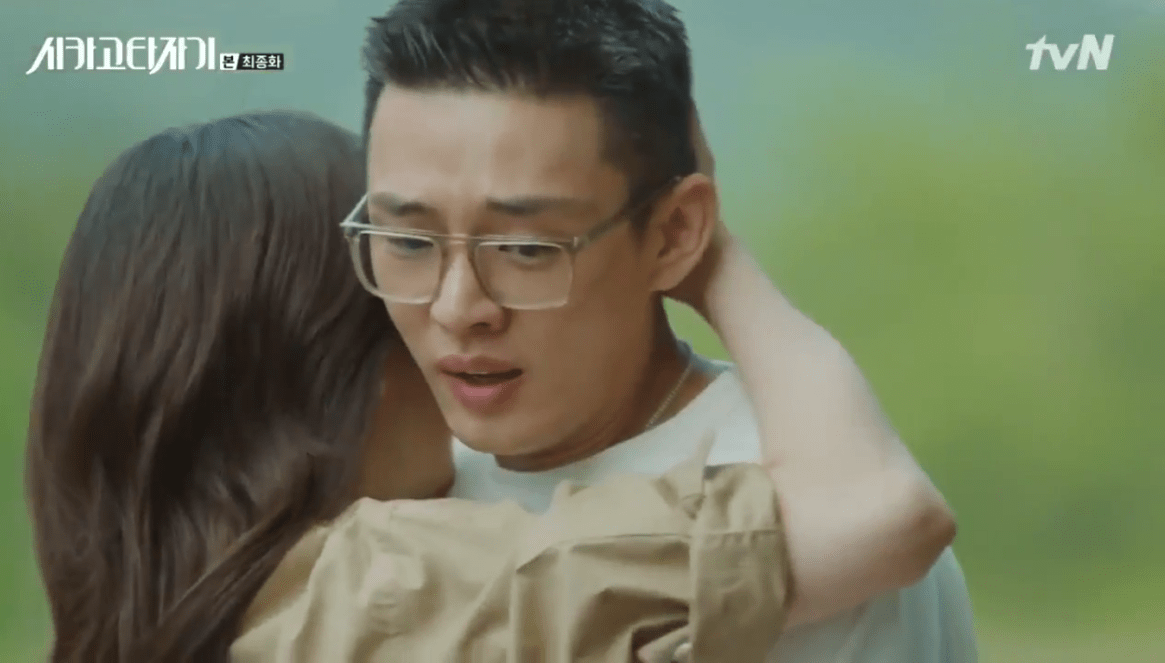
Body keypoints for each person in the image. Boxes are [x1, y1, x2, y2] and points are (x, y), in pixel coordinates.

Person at [22, 109, 877, 663]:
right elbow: (871, 517)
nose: (455, 323)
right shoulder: (396, 580)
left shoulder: (136, 602)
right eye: (406, 287)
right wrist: (708, 258)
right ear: (336, 375)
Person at [357, 0, 977, 660]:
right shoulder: (388, 476)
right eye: (408, 240)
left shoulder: (814, 518)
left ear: (675, 232)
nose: (457, 308)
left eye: (528, 248)